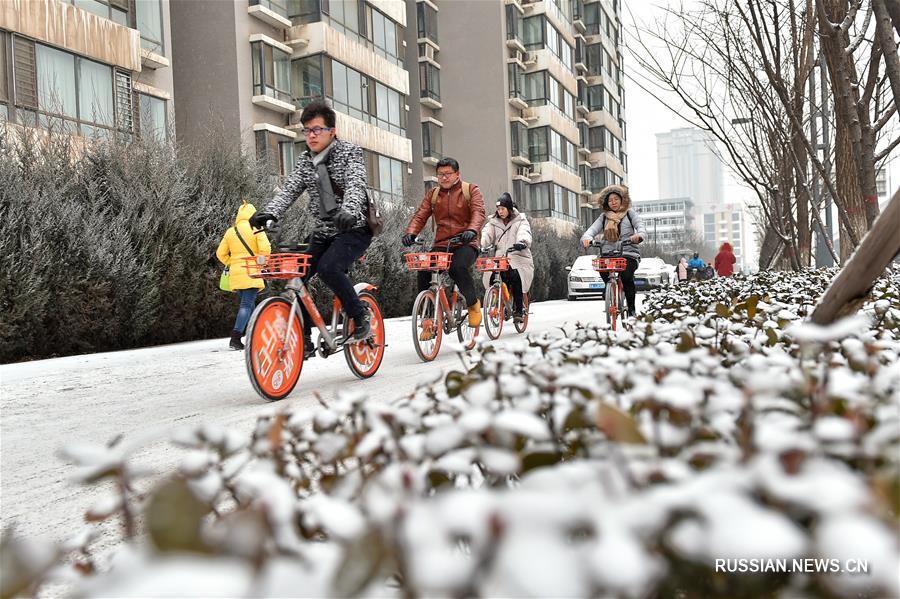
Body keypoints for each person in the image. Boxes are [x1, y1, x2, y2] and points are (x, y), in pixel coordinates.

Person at [249, 100, 373, 356]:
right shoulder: (306, 161)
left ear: (332, 131)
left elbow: (356, 183)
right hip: (324, 230)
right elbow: (290, 188)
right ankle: (304, 337)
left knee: (329, 268)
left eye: (317, 129)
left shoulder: (350, 152)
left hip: (354, 227)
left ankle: (360, 316)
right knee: (297, 275)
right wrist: (270, 211)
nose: (312, 135)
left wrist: (349, 211)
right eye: (307, 130)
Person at [402, 157, 486, 333]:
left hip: (466, 242)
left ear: (457, 174)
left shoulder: (470, 190)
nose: (444, 178)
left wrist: (472, 230)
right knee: (424, 270)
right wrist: (411, 232)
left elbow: (479, 212)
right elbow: (420, 215)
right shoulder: (433, 194)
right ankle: (428, 321)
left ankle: (473, 305)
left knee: (457, 268)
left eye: (448, 174)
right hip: (441, 243)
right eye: (440, 174)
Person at [580, 184, 646, 317]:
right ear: (606, 203)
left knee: (627, 277)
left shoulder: (629, 213)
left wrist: (639, 236)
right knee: (603, 269)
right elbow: (591, 230)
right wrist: (587, 238)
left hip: (628, 252)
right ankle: (610, 287)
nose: (613, 202)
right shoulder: (604, 217)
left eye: (616, 199)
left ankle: (632, 310)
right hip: (608, 252)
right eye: (610, 200)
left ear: (622, 199)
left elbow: (640, 226)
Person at [217, 201, 271, 350]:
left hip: (236, 274)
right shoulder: (256, 228)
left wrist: (232, 262)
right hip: (251, 271)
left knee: (250, 305)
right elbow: (265, 249)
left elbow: (220, 253)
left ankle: (256, 334)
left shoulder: (231, 231)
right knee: (246, 305)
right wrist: (261, 263)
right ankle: (235, 338)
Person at [480, 192, 533, 323]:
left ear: (509, 209)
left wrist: (522, 242)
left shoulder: (520, 220)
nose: (500, 211)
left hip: (518, 255)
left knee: (516, 276)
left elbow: (524, 231)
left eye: (503, 209)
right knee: (492, 276)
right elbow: (487, 233)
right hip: (500, 258)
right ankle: (499, 300)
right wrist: (482, 244)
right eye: (498, 209)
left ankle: (519, 309)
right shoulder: (493, 222)